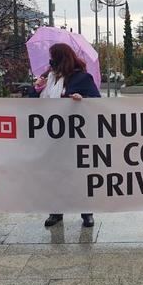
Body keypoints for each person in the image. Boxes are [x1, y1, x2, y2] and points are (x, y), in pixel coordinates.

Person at [30, 43, 101, 228]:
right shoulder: (47, 79)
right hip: (50, 137)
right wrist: (36, 88)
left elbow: (97, 102)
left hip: (75, 136)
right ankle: (56, 211)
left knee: (79, 174)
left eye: (53, 56)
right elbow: (30, 105)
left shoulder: (82, 78)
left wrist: (81, 100)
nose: (50, 61)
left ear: (62, 58)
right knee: (54, 174)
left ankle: (86, 212)